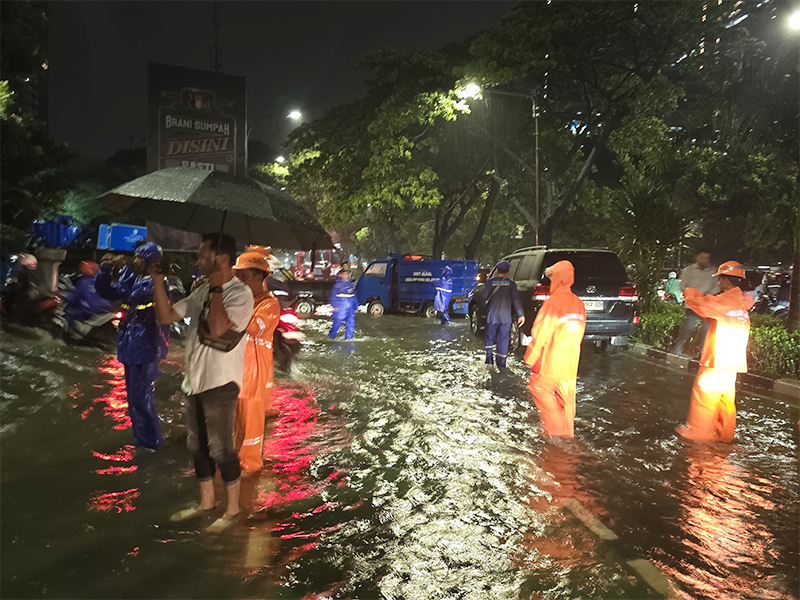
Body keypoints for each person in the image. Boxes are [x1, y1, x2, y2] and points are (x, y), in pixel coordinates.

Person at [150, 233, 254, 532]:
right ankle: (206, 502)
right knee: (197, 446)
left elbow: (221, 327)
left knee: (222, 449)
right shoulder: (201, 291)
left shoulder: (240, 294)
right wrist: (158, 280)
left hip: (221, 382)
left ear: (219, 258)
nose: (197, 261)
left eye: (202, 255)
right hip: (194, 381)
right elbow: (167, 315)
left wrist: (218, 287)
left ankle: (232, 510)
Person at [95, 243, 170, 451]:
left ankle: (153, 442)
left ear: (151, 260)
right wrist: (106, 270)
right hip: (130, 345)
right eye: (135, 257)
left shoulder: (159, 282)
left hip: (147, 346)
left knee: (141, 397)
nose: (135, 261)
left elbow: (141, 296)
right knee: (132, 397)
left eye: (139, 258)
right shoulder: (135, 278)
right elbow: (108, 291)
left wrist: (124, 270)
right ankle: (142, 439)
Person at [676, 261, 754, 443]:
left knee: (704, 397)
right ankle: (724, 436)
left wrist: (688, 290)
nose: (719, 284)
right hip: (733, 363)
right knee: (725, 401)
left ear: (725, 280)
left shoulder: (725, 301)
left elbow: (700, 304)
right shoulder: (742, 303)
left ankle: (698, 436)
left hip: (717, 360)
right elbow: (712, 315)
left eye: (720, 280)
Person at [231, 247, 280, 474]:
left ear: (260, 277)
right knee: (233, 429)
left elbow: (254, 327)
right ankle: (228, 480)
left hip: (253, 377)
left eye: (244, 276)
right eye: (237, 275)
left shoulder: (269, 304)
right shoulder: (239, 299)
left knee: (249, 431)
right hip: (232, 373)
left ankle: (249, 477)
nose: (239, 280)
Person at [524, 261, 586, 438]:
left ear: (557, 278)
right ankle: (568, 434)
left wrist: (530, 358)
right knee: (567, 402)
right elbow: (580, 333)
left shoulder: (553, 303)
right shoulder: (579, 304)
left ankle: (555, 432)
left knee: (538, 388)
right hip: (571, 363)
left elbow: (541, 334)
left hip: (552, 362)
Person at [672, 250, 718, 355]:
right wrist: (693, 295)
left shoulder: (713, 272)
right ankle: (677, 349)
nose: (705, 260)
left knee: (707, 330)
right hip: (691, 305)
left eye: (707, 258)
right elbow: (683, 286)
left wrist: (706, 296)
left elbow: (715, 288)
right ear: (697, 258)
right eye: (703, 257)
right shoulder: (688, 270)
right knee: (688, 328)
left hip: (706, 306)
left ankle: (702, 353)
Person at [481, 260, 525, 372]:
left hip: (493, 315)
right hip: (506, 317)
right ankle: (501, 364)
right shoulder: (511, 284)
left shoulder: (490, 283)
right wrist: (521, 315)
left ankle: (489, 361)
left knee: (489, 338)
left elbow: (484, 297)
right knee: (504, 339)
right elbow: (516, 300)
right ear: (507, 272)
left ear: (497, 271)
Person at [62, 261, 112, 339]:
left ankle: (71, 335)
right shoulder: (102, 280)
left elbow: (75, 296)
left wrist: (65, 296)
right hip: (105, 308)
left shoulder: (84, 282)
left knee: (68, 313)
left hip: (88, 309)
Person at [328, 264, 357, 340]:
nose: (347, 275)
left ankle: (349, 338)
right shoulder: (337, 286)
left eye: (348, 274)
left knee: (350, 324)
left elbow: (354, 296)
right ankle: (331, 337)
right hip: (340, 308)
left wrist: (355, 306)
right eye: (345, 274)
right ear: (341, 275)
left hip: (350, 308)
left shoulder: (351, 285)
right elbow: (333, 297)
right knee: (337, 324)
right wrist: (335, 306)